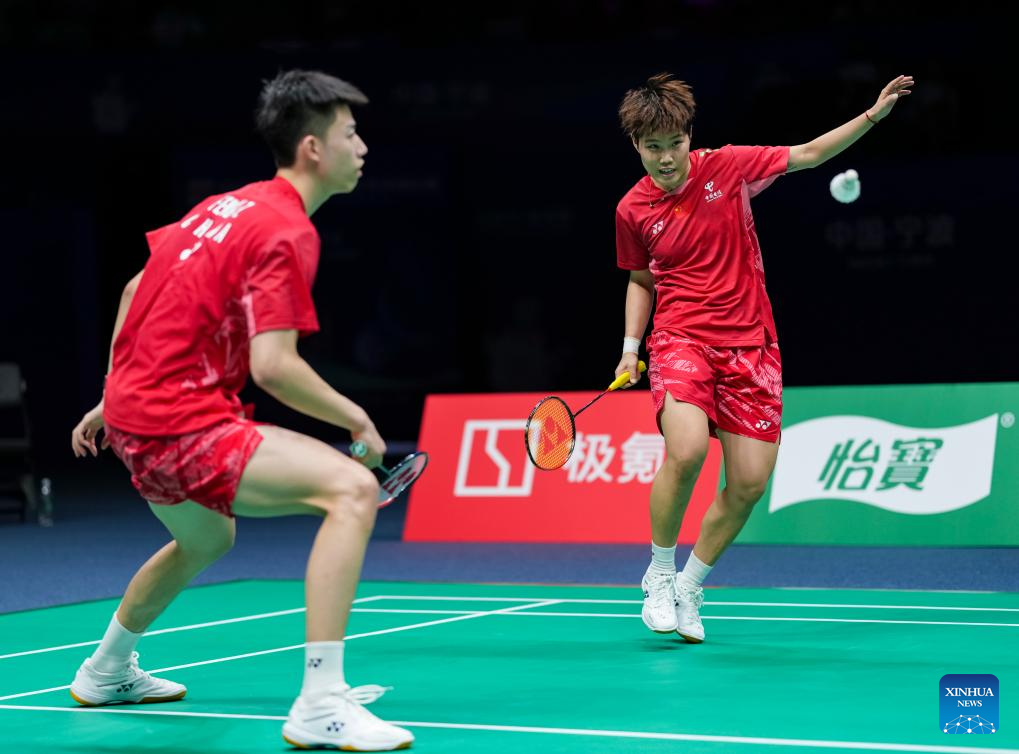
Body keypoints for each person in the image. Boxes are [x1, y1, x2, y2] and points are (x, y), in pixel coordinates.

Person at [69, 69, 414, 751]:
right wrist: (357, 420)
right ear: (313, 147)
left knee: (207, 539)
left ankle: (105, 670)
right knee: (351, 489)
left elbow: (138, 286)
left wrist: (114, 391)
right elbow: (273, 366)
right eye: (351, 134)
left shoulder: (224, 206)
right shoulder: (286, 230)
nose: (363, 147)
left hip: (135, 417)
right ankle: (321, 703)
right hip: (178, 419)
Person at [614, 72, 913, 642]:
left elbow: (809, 153)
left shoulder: (727, 167)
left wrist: (873, 114)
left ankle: (690, 585)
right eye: (653, 148)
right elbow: (640, 280)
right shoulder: (632, 209)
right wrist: (631, 349)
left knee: (750, 482)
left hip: (751, 345)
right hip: (681, 339)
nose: (667, 158)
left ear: (689, 135)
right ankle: (658, 573)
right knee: (687, 449)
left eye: (675, 143)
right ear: (636, 145)